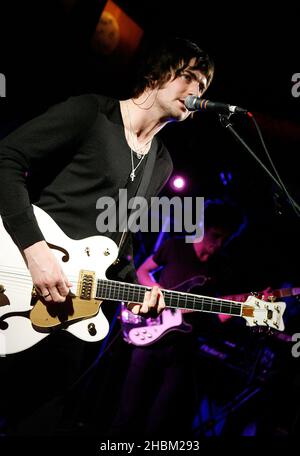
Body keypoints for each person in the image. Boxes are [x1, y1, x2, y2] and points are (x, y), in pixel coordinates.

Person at [0, 36, 215, 435]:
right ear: (156, 74)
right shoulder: (91, 113)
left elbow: (119, 241)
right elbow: (6, 159)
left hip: (67, 318)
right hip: (15, 277)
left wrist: (138, 293)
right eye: (189, 77)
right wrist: (35, 250)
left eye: (203, 86)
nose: (196, 91)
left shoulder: (161, 162)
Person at [110, 199, 247, 439]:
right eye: (216, 235)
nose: (219, 244)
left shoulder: (222, 268)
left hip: (184, 350)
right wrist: (156, 291)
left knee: (161, 421)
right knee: (128, 412)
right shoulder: (175, 246)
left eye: (227, 239)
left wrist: (242, 308)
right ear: (204, 227)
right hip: (149, 338)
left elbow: (217, 315)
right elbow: (142, 271)